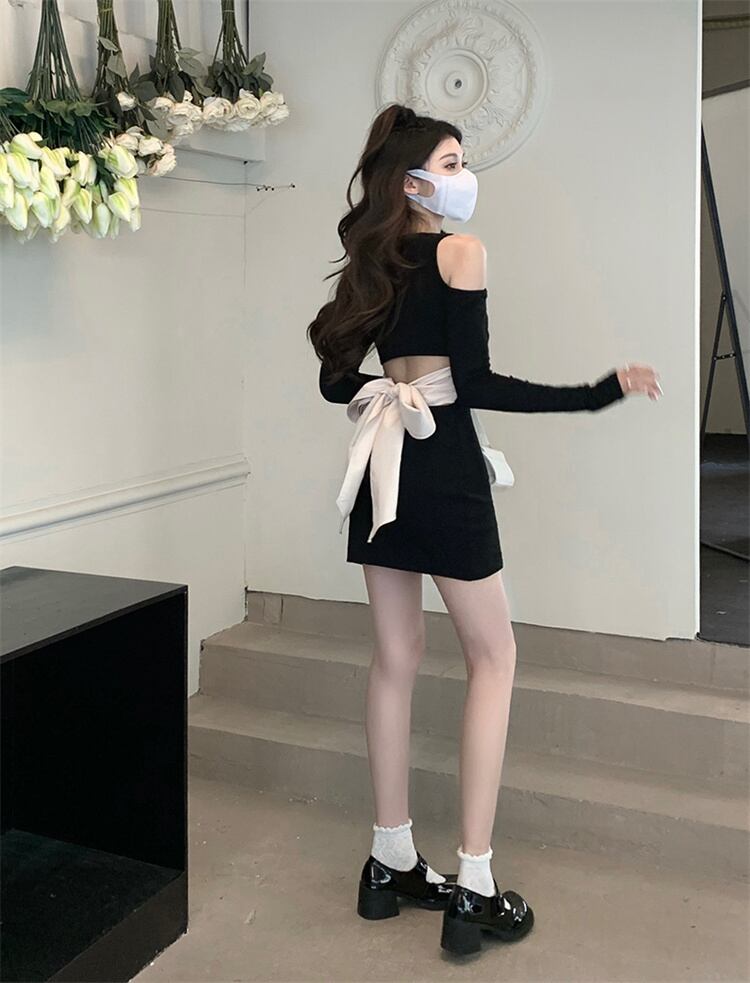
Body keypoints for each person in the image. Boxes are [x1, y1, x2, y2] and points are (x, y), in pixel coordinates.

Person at [307, 102, 661, 957]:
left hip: (383, 465)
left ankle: (389, 861)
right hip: (442, 470)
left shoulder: (372, 263)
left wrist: (391, 391)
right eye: (452, 163)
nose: (465, 178)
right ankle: (473, 884)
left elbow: (332, 380)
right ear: (412, 182)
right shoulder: (459, 252)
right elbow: (478, 383)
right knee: (494, 658)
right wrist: (597, 392)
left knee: (394, 659)